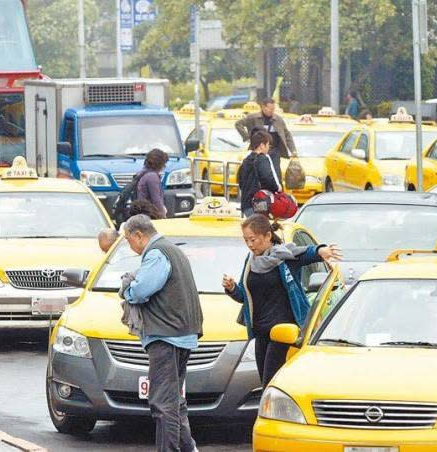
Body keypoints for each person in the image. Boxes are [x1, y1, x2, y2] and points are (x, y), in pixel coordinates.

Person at [222, 214, 340, 386]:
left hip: (284, 333)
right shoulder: (250, 262)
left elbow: (306, 253)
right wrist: (232, 288)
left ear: (268, 236)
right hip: (261, 333)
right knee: (265, 383)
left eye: (253, 239)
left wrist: (321, 250)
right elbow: (244, 297)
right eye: (246, 240)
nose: (249, 245)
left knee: (272, 382)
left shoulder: (285, 257)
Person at [119, 215, 202, 452]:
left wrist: (128, 289)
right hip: (182, 335)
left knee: (163, 403)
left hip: (166, 336)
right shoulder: (173, 250)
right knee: (175, 401)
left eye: (128, 239)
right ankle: (189, 449)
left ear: (139, 235)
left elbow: (142, 289)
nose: (129, 245)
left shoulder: (156, 253)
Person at [235, 98, 298, 184]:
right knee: (259, 172)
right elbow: (238, 124)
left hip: (274, 151)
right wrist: (247, 138)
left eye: (273, 109)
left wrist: (293, 150)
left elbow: (287, 135)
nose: (271, 111)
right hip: (259, 151)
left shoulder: (278, 120)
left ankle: (276, 192)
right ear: (263, 107)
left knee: (275, 173)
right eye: (269, 108)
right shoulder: (253, 118)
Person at [237, 131, 281, 217]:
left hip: (246, 204)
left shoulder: (246, 160)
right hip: (259, 204)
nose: (268, 148)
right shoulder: (262, 159)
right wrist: (277, 188)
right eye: (268, 145)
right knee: (261, 228)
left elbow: (240, 181)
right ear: (262, 145)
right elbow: (268, 178)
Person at [136, 149, 169, 219]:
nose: (164, 167)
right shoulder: (152, 177)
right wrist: (163, 216)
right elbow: (156, 199)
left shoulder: (143, 173)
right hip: (148, 215)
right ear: (160, 163)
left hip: (142, 214)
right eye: (164, 164)